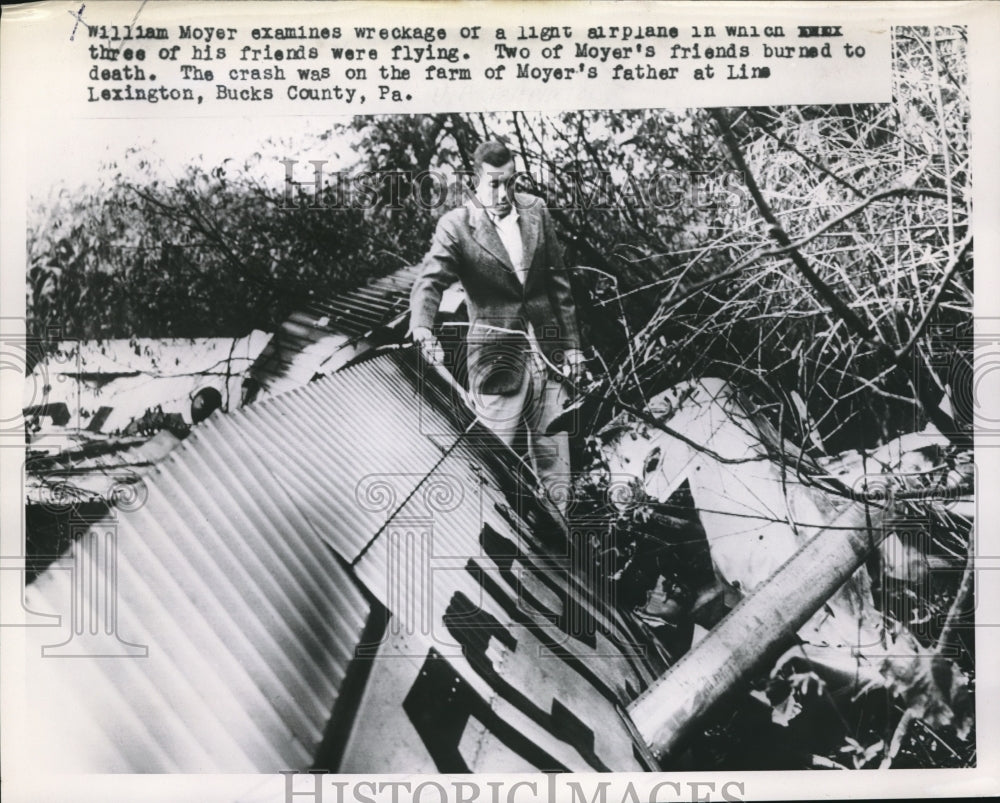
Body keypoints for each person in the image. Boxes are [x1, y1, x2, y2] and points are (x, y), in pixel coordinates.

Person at [409, 140, 585, 515]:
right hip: (496, 362)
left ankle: (562, 555)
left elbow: (559, 284)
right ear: (475, 181)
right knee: (492, 470)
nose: (504, 193)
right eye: (494, 184)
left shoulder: (536, 211)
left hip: (550, 358)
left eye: (510, 182)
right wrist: (422, 328)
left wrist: (572, 347)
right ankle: (496, 552)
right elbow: (429, 283)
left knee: (557, 471)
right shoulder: (455, 226)